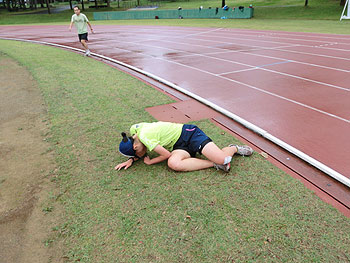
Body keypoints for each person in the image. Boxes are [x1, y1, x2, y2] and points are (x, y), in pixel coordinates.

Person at [115, 122, 253, 172]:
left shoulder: (145, 138)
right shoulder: (134, 131)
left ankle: (234, 148)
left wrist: (151, 161)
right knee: (173, 164)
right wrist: (131, 159)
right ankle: (214, 165)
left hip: (189, 134)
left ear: (135, 147)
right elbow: (138, 149)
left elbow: (165, 155)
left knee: (223, 158)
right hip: (177, 145)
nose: (142, 155)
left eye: (137, 154)